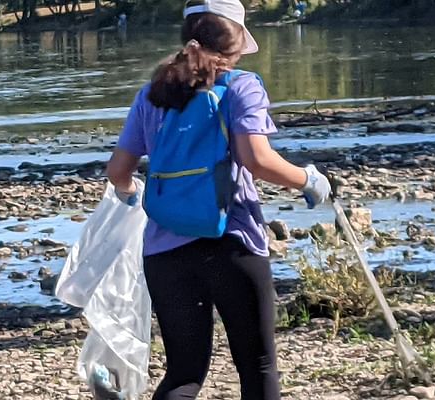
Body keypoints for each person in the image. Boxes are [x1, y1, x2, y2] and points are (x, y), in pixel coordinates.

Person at [105, 0, 331, 399]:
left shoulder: (152, 94)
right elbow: (255, 159)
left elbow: (118, 173)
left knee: (184, 374)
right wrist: (309, 181)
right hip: (233, 242)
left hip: (164, 251)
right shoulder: (242, 86)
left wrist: (128, 197)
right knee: (257, 366)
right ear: (238, 42)